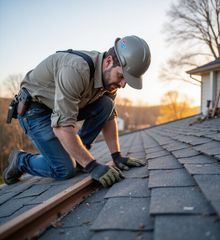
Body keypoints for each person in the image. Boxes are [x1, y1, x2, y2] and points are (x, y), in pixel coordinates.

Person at [3, 35, 151, 187]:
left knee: (106, 104)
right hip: (35, 111)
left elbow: (108, 116)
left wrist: (117, 156)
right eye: (121, 76)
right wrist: (92, 165)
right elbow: (62, 127)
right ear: (108, 62)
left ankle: (80, 156)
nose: (122, 84)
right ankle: (21, 160)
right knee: (65, 169)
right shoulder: (76, 70)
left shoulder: (109, 81)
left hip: (58, 108)